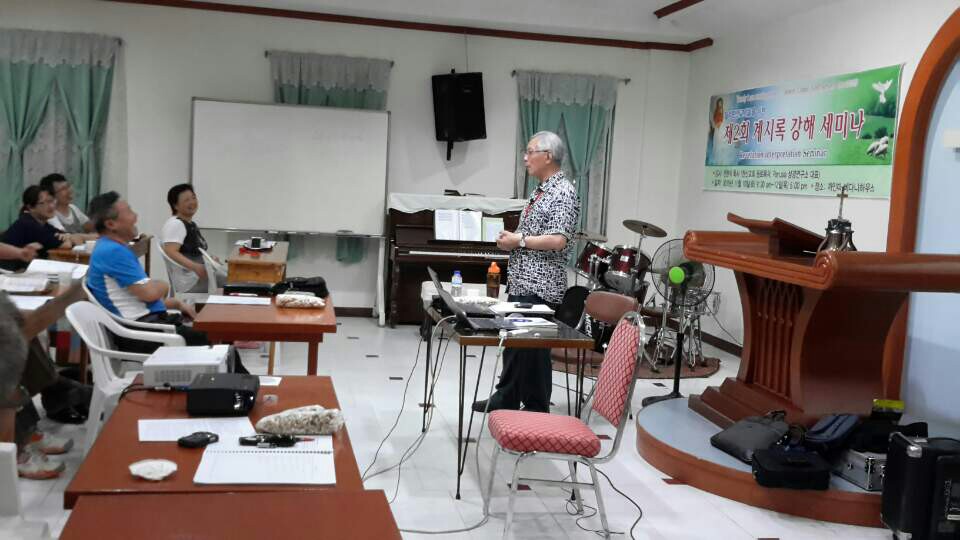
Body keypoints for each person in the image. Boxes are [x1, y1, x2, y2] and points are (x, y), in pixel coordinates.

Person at [472, 131, 579, 414]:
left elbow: (558, 240)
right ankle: (506, 397)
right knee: (516, 343)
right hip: (523, 280)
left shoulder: (563, 192)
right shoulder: (540, 190)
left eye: (530, 152)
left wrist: (518, 240)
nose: (525, 158)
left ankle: (536, 409)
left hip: (541, 284)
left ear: (548, 156)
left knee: (533, 350)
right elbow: (533, 234)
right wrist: (512, 239)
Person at [86, 192, 246, 372]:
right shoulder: (113, 252)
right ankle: (242, 387)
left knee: (219, 339)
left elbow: (135, 302)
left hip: (147, 325)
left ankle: (242, 385)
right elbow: (149, 294)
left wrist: (177, 303)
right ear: (111, 224)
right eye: (129, 212)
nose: (135, 216)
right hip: (142, 334)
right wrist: (163, 285)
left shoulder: (110, 249)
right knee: (220, 344)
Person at [160, 183, 226, 293]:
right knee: (234, 282)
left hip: (196, 276)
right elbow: (170, 251)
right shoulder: (176, 224)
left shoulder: (189, 224)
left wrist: (209, 259)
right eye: (186, 200)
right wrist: (196, 267)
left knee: (232, 276)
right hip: (190, 282)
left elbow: (193, 252)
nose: (192, 202)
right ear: (175, 206)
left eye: (193, 198)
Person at [0, 185, 73, 271]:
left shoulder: (43, 224)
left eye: (51, 201)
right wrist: (68, 239)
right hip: (9, 272)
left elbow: (69, 237)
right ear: (31, 207)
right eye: (44, 203)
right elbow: (66, 245)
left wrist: (67, 236)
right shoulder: (28, 224)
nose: (51, 206)